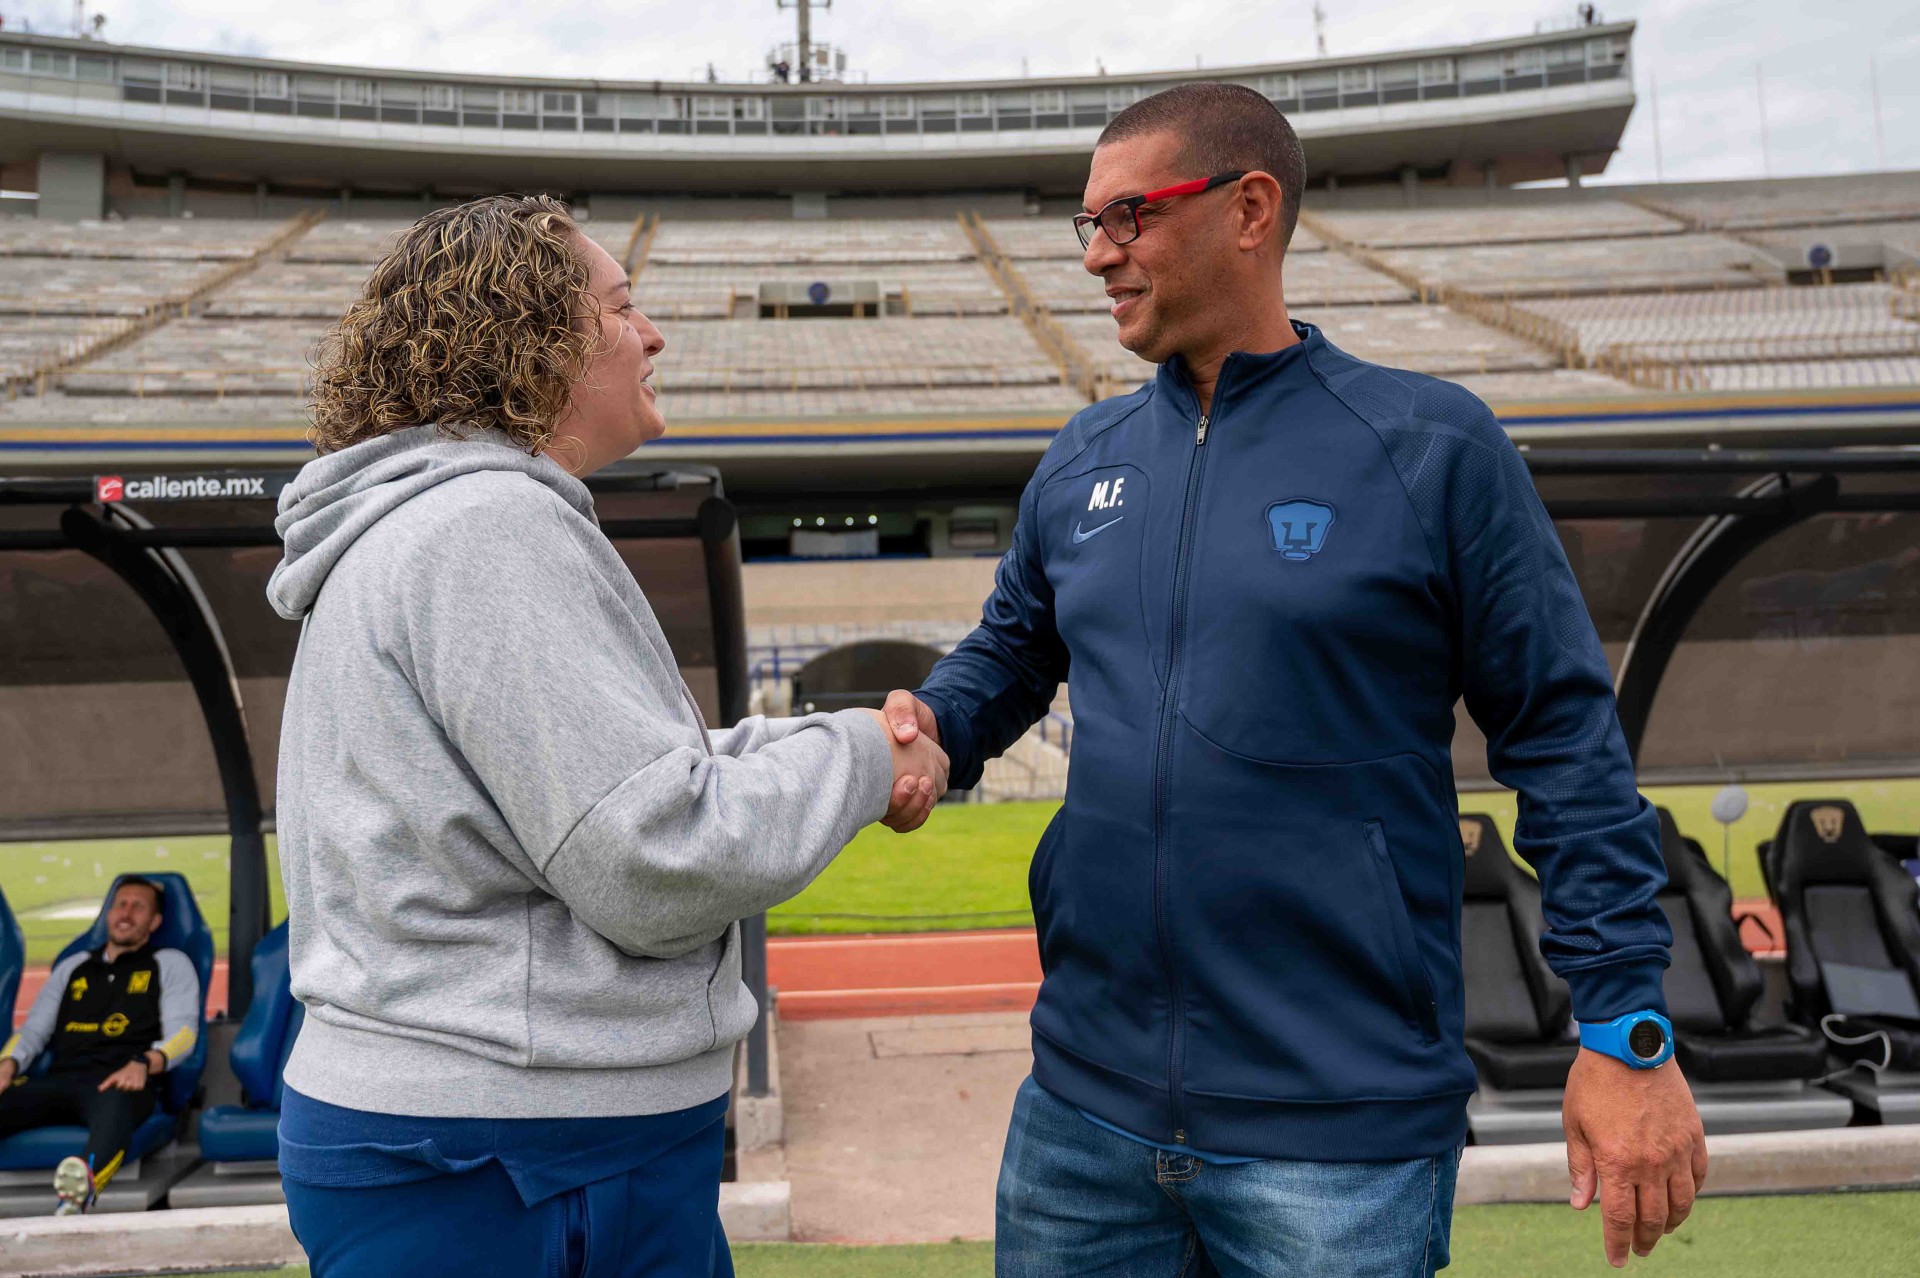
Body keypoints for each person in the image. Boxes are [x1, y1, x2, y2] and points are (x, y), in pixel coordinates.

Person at [882, 84, 1706, 1276]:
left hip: (1339, 1133)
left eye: (1128, 216)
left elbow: (1564, 740)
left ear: (1251, 209)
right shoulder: (1081, 461)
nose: (1098, 255)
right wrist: (936, 723)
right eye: (1088, 225)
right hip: (1083, 1115)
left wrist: (1624, 1026)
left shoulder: (1432, 447)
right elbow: (1010, 653)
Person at [268, 193, 947, 1277]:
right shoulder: (486, 526)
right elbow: (650, 856)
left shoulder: (428, 525)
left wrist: (834, 738)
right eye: (623, 308)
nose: (653, 335)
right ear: (529, 340)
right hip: (518, 1158)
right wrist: (870, 757)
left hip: (490, 1139)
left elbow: (608, 785)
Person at [0, 877, 200, 1216]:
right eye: (121, 904)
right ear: (108, 914)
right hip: (60, 1080)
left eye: (139, 907)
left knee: (115, 1106)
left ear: (155, 922)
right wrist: (7, 1063)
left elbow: (184, 1034)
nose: (126, 913)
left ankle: (78, 1193)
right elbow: (33, 1030)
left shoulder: (169, 963)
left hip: (121, 1081)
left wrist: (145, 1062)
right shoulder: (73, 966)